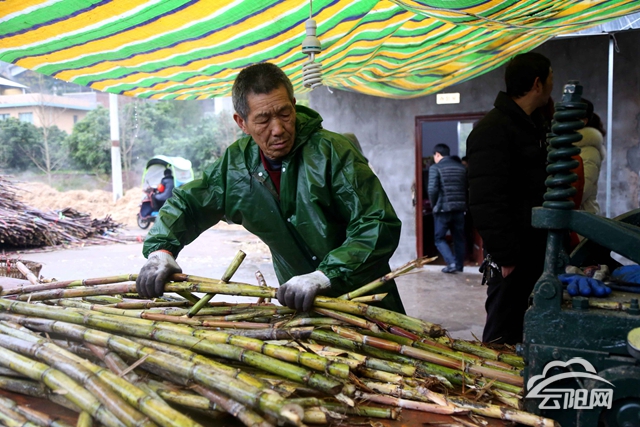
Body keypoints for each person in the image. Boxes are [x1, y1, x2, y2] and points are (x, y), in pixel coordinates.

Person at [136, 62, 405, 314]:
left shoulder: (333, 152)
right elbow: (189, 204)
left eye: (284, 114)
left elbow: (376, 223)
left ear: (294, 106)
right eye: (263, 120)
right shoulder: (236, 167)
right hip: (302, 308)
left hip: (367, 300)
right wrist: (162, 251)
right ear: (241, 122)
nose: (278, 129)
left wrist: (325, 276)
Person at [466, 51, 553, 345]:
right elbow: (485, 201)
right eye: (551, 77)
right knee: (503, 331)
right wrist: (506, 256)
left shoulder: (533, 125)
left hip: (535, 246)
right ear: (538, 83)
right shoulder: (493, 130)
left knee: (530, 325)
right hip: (513, 253)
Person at [427, 143, 467, 273]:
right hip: (459, 209)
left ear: (437, 154)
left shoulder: (435, 168)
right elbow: (466, 188)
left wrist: (434, 205)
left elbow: (432, 190)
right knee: (459, 238)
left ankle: (451, 263)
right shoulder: (461, 168)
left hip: (443, 210)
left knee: (439, 238)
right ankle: (459, 265)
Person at [574, 98, 606, 215]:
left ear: (583, 121)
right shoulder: (565, 147)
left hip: (583, 218)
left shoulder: (589, 151)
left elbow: (581, 192)